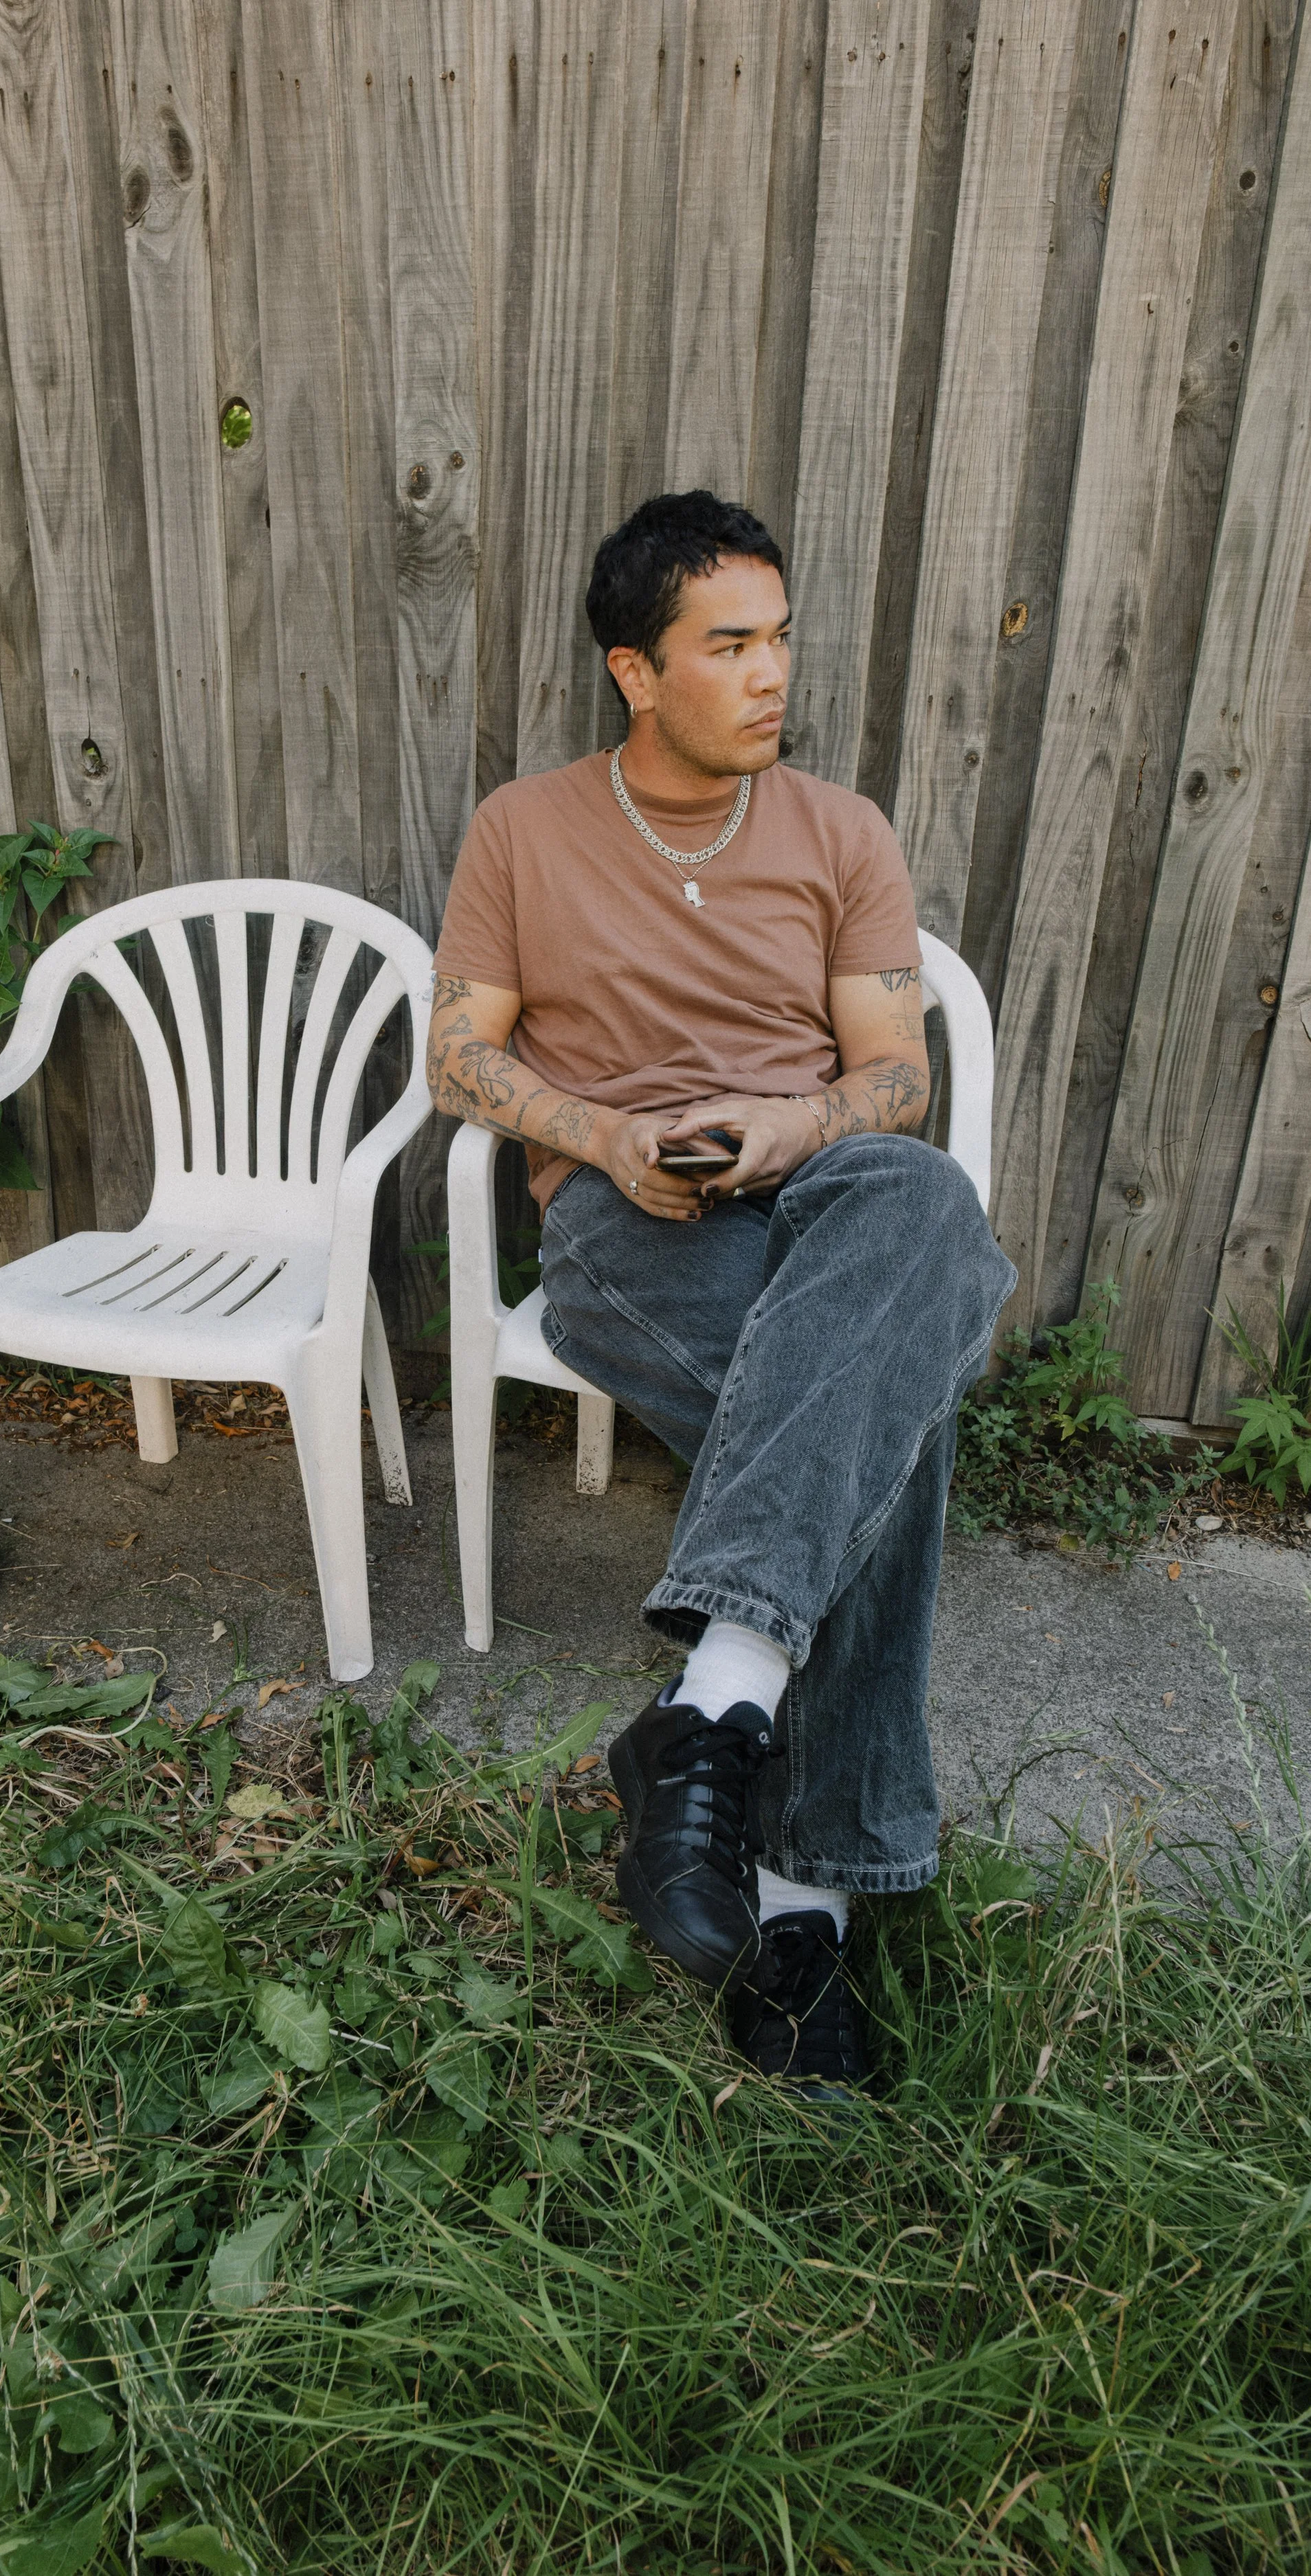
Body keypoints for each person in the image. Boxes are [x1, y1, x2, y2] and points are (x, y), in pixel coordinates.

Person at [429, 490, 1016, 2099]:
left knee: (924, 1194)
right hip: (632, 1217)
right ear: (635, 669)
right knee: (877, 1463)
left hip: (817, 1184)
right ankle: (808, 1917)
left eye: (779, 641)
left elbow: (892, 1075)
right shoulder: (522, 829)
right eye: (730, 646)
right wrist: (606, 1131)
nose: (772, 676)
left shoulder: (840, 832)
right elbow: (458, 1053)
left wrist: (797, 1119)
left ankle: (706, 1717)